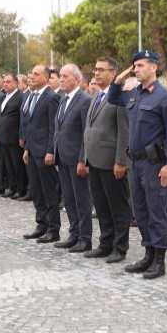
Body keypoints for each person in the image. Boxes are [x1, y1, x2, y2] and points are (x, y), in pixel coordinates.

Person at [107, 50, 167, 279]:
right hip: (135, 162)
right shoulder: (134, 94)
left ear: (153, 67)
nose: (136, 69)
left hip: (155, 164)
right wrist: (120, 77)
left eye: (140, 65)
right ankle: (148, 253)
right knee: (140, 211)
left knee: (156, 211)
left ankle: (159, 260)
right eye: (134, 66)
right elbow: (112, 97)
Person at [81, 58, 132, 262]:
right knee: (101, 206)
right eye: (95, 69)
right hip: (94, 161)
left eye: (101, 70)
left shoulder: (118, 96)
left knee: (117, 207)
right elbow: (89, 129)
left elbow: (124, 131)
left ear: (113, 73)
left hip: (112, 162)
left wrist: (121, 161)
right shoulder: (97, 95)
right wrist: (85, 157)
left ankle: (120, 248)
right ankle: (105, 243)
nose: (96, 73)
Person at [50, 64, 94, 252]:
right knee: (69, 200)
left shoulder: (84, 100)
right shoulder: (63, 99)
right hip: (63, 156)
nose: (61, 79)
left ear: (76, 79)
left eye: (65, 76)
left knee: (81, 200)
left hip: (77, 159)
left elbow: (87, 132)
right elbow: (58, 129)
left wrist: (83, 159)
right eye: (60, 75)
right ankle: (74, 234)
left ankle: (85, 238)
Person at [21, 65, 63, 244]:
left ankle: (54, 229)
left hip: (44, 152)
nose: (32, 77)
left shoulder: (51, 97)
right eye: (31, 73)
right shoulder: (31, 95)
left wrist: (50, 151)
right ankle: (41, 224)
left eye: (36, 74)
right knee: (37, 191)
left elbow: (53, 127)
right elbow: (30, 125)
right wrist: (27, 149)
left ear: (46, 77)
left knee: (49, 192)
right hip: (32, 151)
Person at [0, 74, 27, 199]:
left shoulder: (20, 97)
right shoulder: (4, 97)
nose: (5, 84)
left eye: (8, 82)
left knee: (17, 165)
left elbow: (22, 119)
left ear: (16, 83)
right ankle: (12, 187)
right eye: (4, 82)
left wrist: (21, 137)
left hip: (14, 137)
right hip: (3, 137)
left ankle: (20, 189)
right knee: (8, 165)